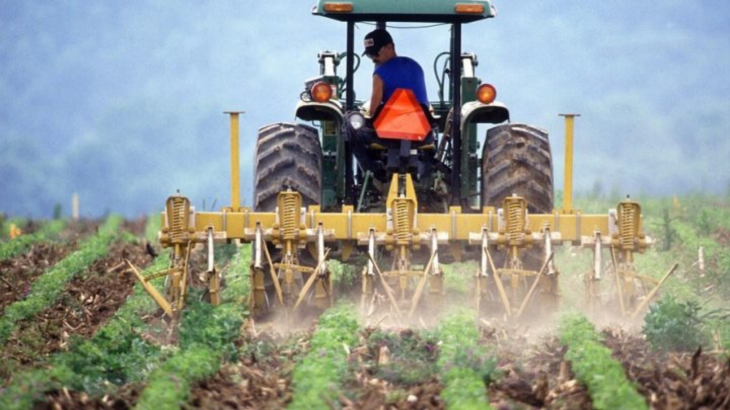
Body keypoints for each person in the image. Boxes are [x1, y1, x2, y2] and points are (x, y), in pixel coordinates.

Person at [345, 28, 430, 174]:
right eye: (370, 55)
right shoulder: (416, 67)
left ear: (390, 47)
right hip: (422, 135)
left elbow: (372, 112)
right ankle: (426, 175)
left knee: (350, 129)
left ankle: (372, 173)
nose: (373, 58)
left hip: (388, 137)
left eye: (376, 53)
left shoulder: (379, 73)